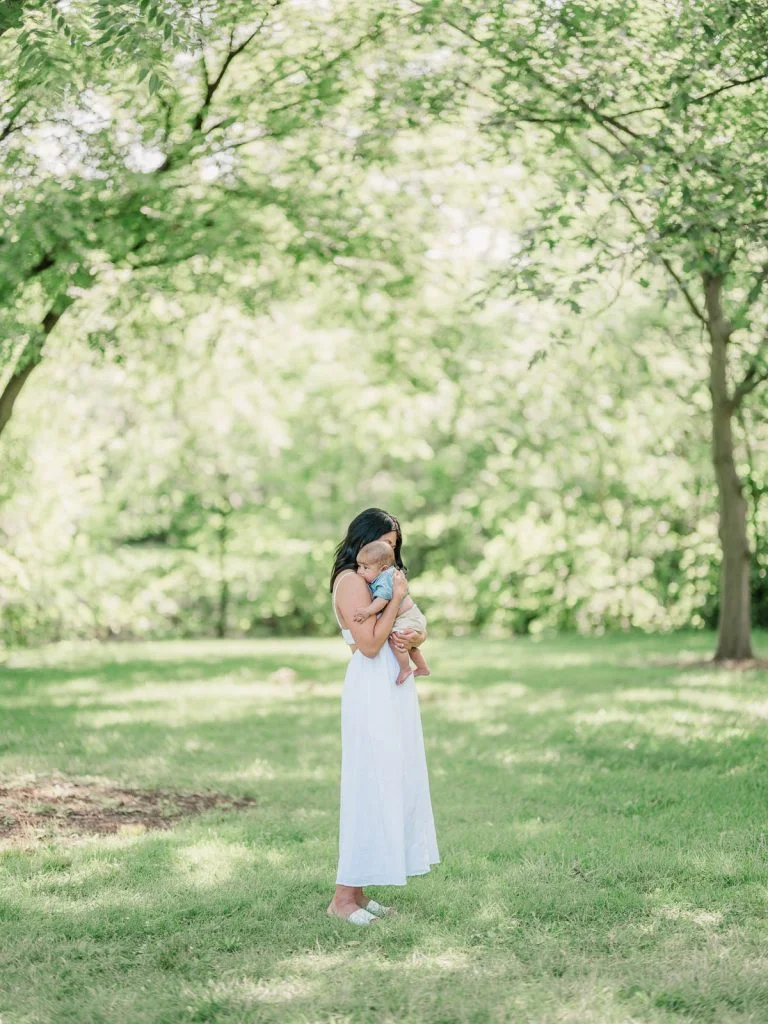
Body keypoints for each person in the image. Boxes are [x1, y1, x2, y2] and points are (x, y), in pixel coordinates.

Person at [327, 507, 440, 926]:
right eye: (385, 545)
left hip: (392, 686)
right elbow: (371, 645)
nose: (391, 554)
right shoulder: (351, 582)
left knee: (387, 782)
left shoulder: (377, 580)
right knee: (367, 784)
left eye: (394, 547)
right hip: (371, 686)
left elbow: (410, 622)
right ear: (363, 541)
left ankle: (357, 892)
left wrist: (416, 634)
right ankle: (341, 900)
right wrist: (393, 600)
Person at [353, 538, 431, 685]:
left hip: (407, 617)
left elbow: (382, 600)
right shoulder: (387, 574)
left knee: (397, 643)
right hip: (412, 615)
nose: (359, 571)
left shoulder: (384, 578)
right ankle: (422, 667)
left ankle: (405, 668)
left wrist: (367, 611)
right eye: (359, 566)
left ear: (382, 568)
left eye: (365, 567)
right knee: (410, 646)